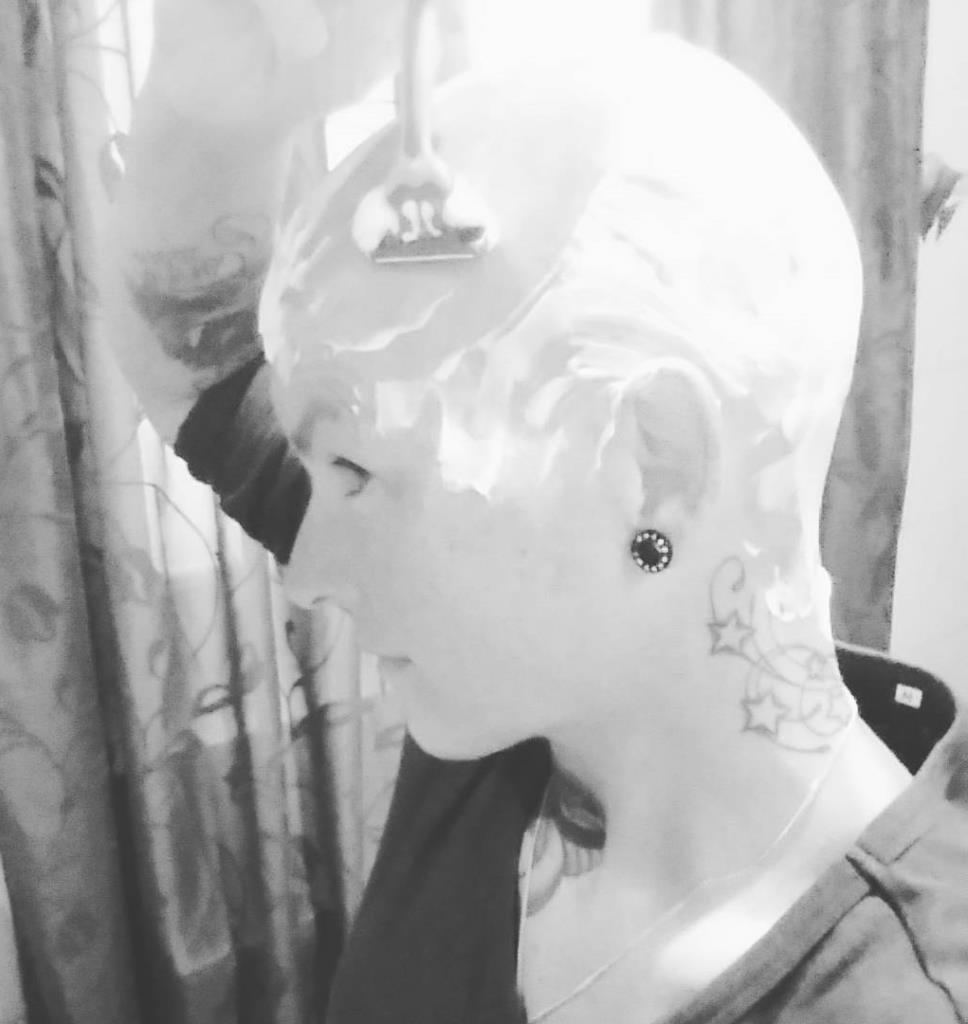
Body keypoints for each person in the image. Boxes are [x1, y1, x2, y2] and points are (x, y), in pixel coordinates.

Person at [105, 3, 968, 1022]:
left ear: (655, 466)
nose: (307, 569)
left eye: (356, 472)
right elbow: (204, 354)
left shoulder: (892, 994)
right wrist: (207, 118)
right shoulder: (516, 696)